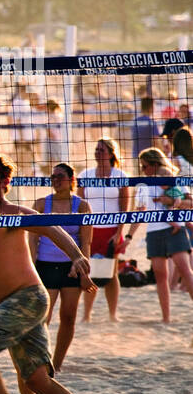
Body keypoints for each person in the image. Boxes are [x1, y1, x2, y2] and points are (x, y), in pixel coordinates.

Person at [0, 153, 113, 394]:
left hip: (28, 299)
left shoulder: (14, 213)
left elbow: (53, 229)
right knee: (37, 380)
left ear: (6, 182)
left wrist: (76, 255)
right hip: (14, 303)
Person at [31, 164, 92, 376]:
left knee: (68, 317)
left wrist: (85, 273)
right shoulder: (41, 204)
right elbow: (32, 241)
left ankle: (56, 364)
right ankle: (42, 359)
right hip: (45, 265)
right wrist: (32, 268)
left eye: (60, 176)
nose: (55, 180)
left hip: (71, 268)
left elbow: (86, 244)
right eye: (53, 176)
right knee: (42, 318)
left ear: (71, 179)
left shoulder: (82, 206)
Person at [133, 147, 193, 324]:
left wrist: (176, 201)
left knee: (184, 269)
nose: (143, 170)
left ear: (154, 164)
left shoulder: (173, 179)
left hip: (175, 229)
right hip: (154, 231)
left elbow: (190, 203)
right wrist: (129, 237)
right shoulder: (143, 185)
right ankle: (166, 317)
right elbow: (139, 212)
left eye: (145, 166)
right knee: (160, 275)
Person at [79, 137, 130, 322]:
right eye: (96, 149)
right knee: (89, 272)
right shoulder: (85, 175)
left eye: (101, 150)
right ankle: (86, 314)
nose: (97, 153)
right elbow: (80, 205)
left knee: (111, 273)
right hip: (90, 230)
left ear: (111, 153)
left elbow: (125, 207)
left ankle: (112, 314)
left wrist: (119, 232)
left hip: (111, 230)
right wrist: (80, 231)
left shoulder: (120, 176)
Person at [130, 96, 161, 163]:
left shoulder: (135, 121)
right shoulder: (152, 122)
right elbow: (155, 141)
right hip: (149, 159)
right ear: (151, 107)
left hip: (136, 156)